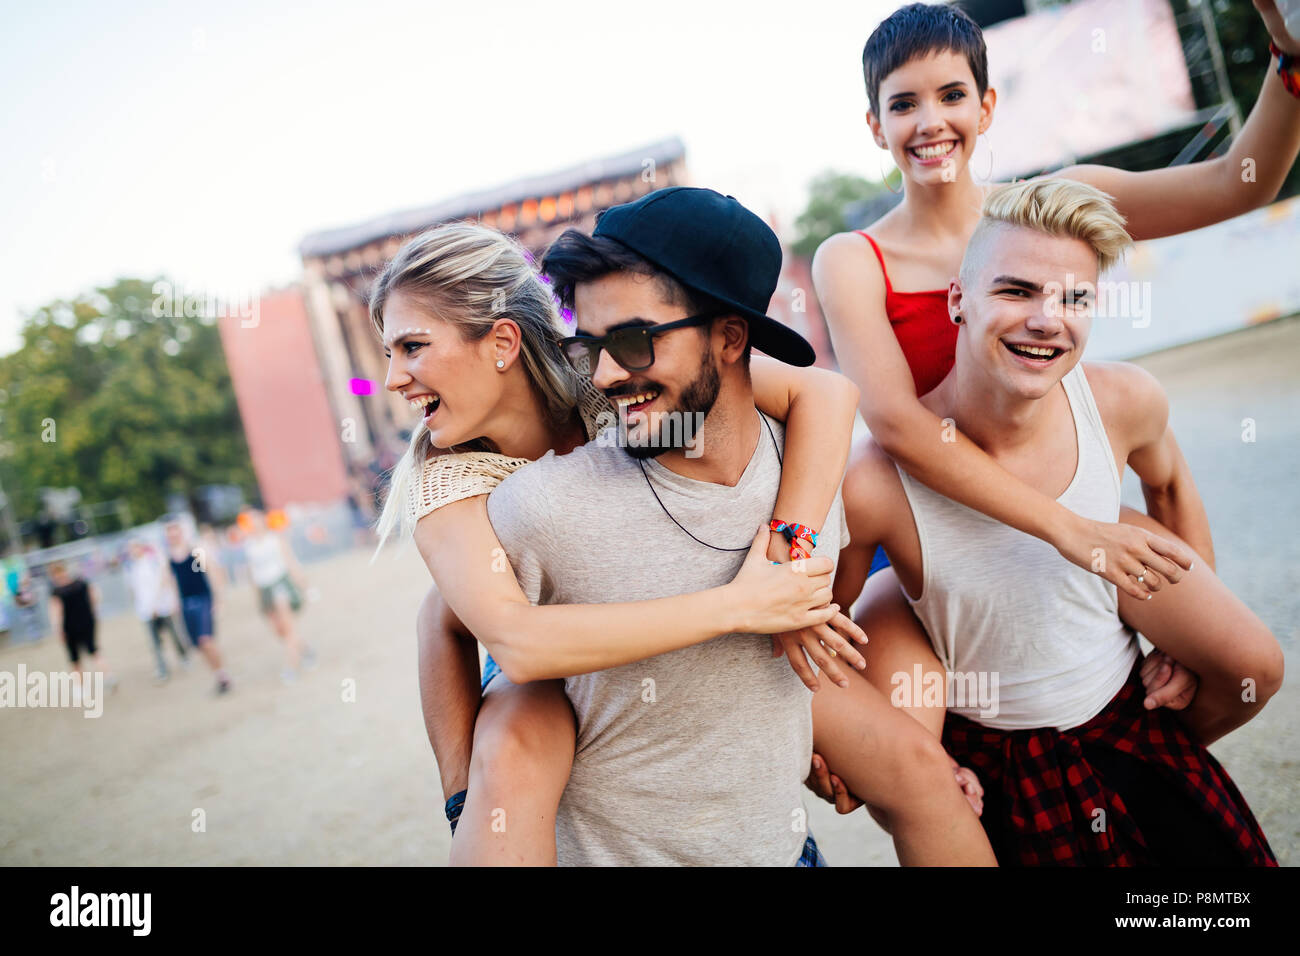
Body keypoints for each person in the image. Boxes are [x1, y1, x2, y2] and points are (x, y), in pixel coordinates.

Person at [393, 187, 1002, 866]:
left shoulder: (594, 376)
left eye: (412, 347)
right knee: (512, 746)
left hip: (703, 623)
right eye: (391, 352)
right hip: (529, 640)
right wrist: (460, 795)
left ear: (504, 342)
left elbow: (826, 390)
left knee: (918, 770)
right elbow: (461, 625)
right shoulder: (451, 482)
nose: (393, 378)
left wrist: (788, 556)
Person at [807, 0, 1299, 794]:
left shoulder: (1055, 207)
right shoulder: (852, 257)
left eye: (951, 95)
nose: (930, 121)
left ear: (986, 107)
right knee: (903, 776)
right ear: (875, 125)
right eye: (903, 103)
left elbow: (1237, 183)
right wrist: (1071, 532)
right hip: (933, 528)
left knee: (1245, 664)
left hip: (1063, 489)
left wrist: (1289, 54)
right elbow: (896, 423)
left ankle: (1147, 797)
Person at [817, 178, 1281, 864]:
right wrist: (854, 754)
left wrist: (1180, 640)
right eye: (1016, 291)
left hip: (1128, 721)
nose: (1046, 320)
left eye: (1074, 299)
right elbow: (825, 623)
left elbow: (1169, 485)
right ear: (957, 300)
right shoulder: (874, 481)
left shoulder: (1124, 400)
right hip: (994, 764)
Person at [238, 510, 313, 682]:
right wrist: (257, 597)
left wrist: (304, 585)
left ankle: (291, 667)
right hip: (265, 589)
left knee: (288, 627)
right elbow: (252, 573)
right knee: (279, 630)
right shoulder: (248, 546)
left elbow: (290, 562)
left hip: (280, 584)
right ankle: (305, 650)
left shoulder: (275, 540)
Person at [163, 519, 232, 695]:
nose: (173, 535)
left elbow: (212, 571)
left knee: (205, 640)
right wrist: (174, 603)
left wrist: (219, 599)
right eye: (169, 532)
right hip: (186, 604)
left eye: (175, 531)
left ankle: (223, 675)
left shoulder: (195, 551)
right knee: (198, 645)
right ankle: (218, 675)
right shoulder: (169, 558)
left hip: (203, 599)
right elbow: (171, 582)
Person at [125, 538, 189, 683]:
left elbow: (162, 582)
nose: (133, 551)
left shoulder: (152, 562)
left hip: (161, 607)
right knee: (154, 642)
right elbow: (134, 590)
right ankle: (162, 668)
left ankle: (183, 657)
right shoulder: (130, 568)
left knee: (174, 635)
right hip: (145, 611)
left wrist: (157, 604)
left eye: (135, 547)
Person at [47, 561, 113, 684]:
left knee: (75, 660)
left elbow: (56, 612)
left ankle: (80, 687)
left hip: (69, 628)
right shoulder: (81, 583)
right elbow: (96, 596)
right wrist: (92, 610)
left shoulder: (57, 591)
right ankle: (108, 677)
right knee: (94, 651)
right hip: (87, 622)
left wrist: (58, 629)